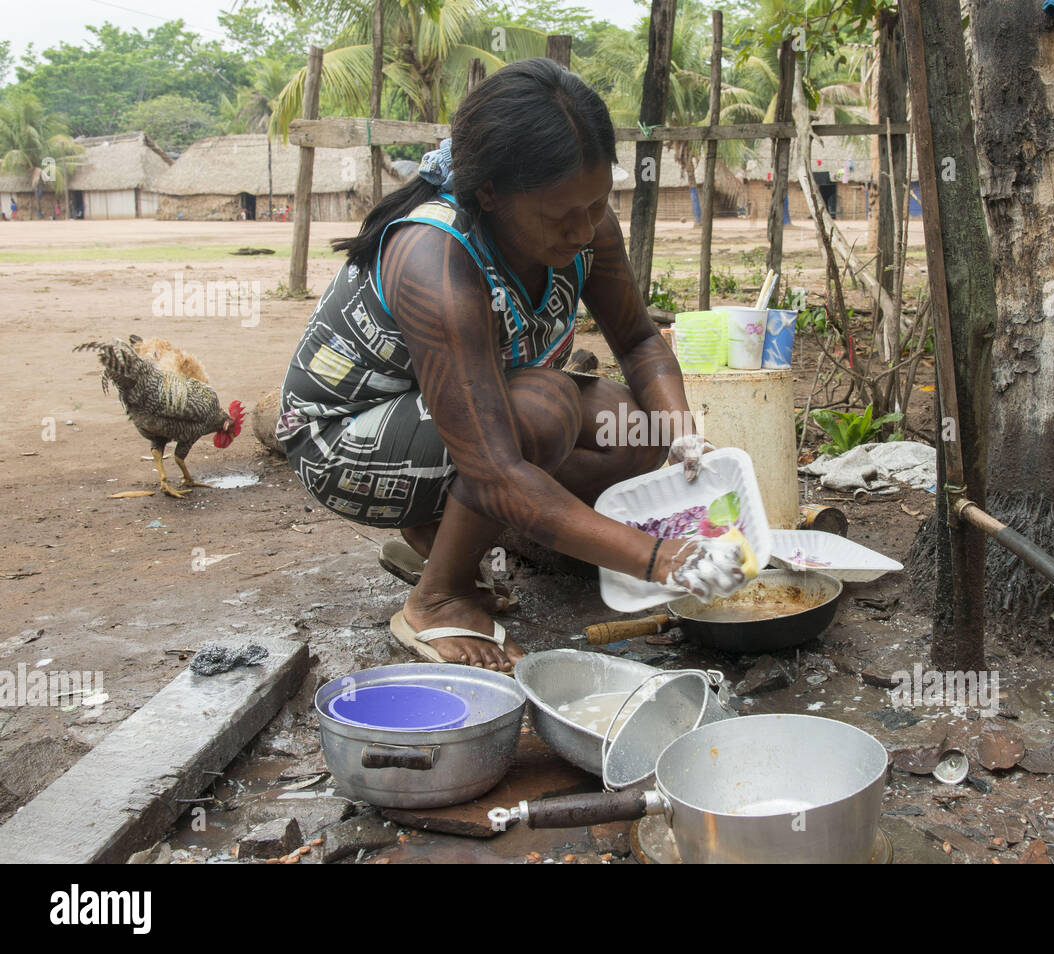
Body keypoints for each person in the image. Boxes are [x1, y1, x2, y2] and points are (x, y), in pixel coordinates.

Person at [277, 59, 747, 672]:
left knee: (633, 427)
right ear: (490, 193)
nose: (584, 230)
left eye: (598, 204)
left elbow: (637, 341)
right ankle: (439, 596)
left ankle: (458, 534)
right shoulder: (435, 257)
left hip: (457, 425)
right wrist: (661, 558)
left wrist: (682, 436)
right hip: (344, 443)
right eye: (561, 217)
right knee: (543, 409)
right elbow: (497, 469)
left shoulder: (584, 222)